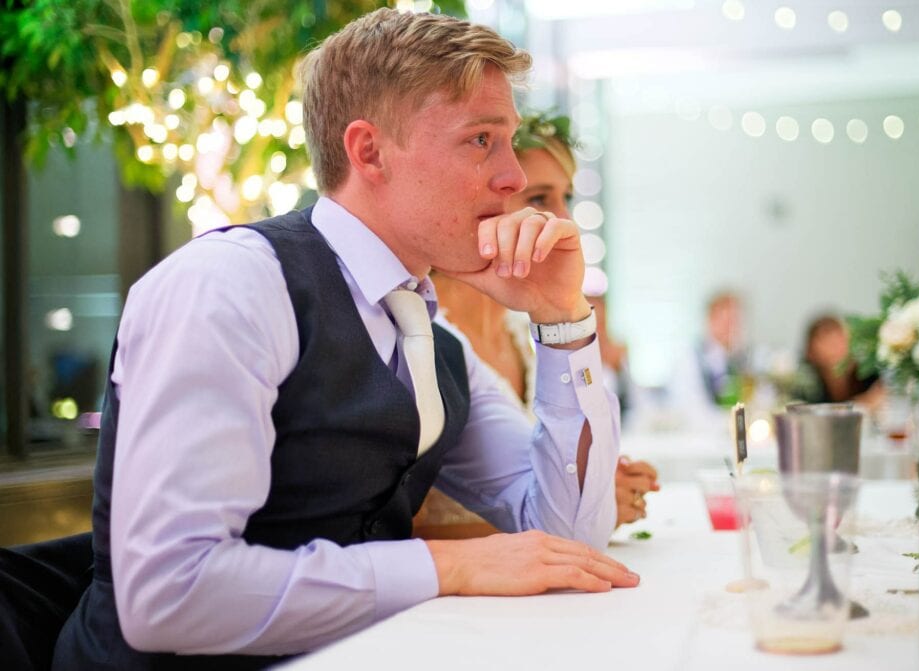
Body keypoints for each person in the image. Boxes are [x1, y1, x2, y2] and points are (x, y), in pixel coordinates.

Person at [53, 10, 637, 669]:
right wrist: (445, 565)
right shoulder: (229, 285)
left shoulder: (438, 342)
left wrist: (563, 321)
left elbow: (570, 537)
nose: (510, 178)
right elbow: (170, 593)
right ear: (369, 151)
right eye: (481, 141)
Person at [421, 113, 658, 536]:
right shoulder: (422, 333)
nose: (565, 221)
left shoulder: (524, 331)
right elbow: (392, 525)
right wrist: (589, 509)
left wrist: (592, 490)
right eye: (541, 199)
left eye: (567, 197)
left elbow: (543, 484)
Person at [668, 291, 747, 429]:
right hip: (696, 439)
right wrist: (730, 423)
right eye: (727, 321)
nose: (732, 328)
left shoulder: (738, 360)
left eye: (735, 321)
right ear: (711, 320)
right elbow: (692, 410)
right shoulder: (689, 359)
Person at [799, 314, 881, 407]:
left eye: (839, 337)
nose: (835, 345)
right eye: (825, 339)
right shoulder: (807, 384)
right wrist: (863, 403)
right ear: (811, 351)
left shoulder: (870, 373)